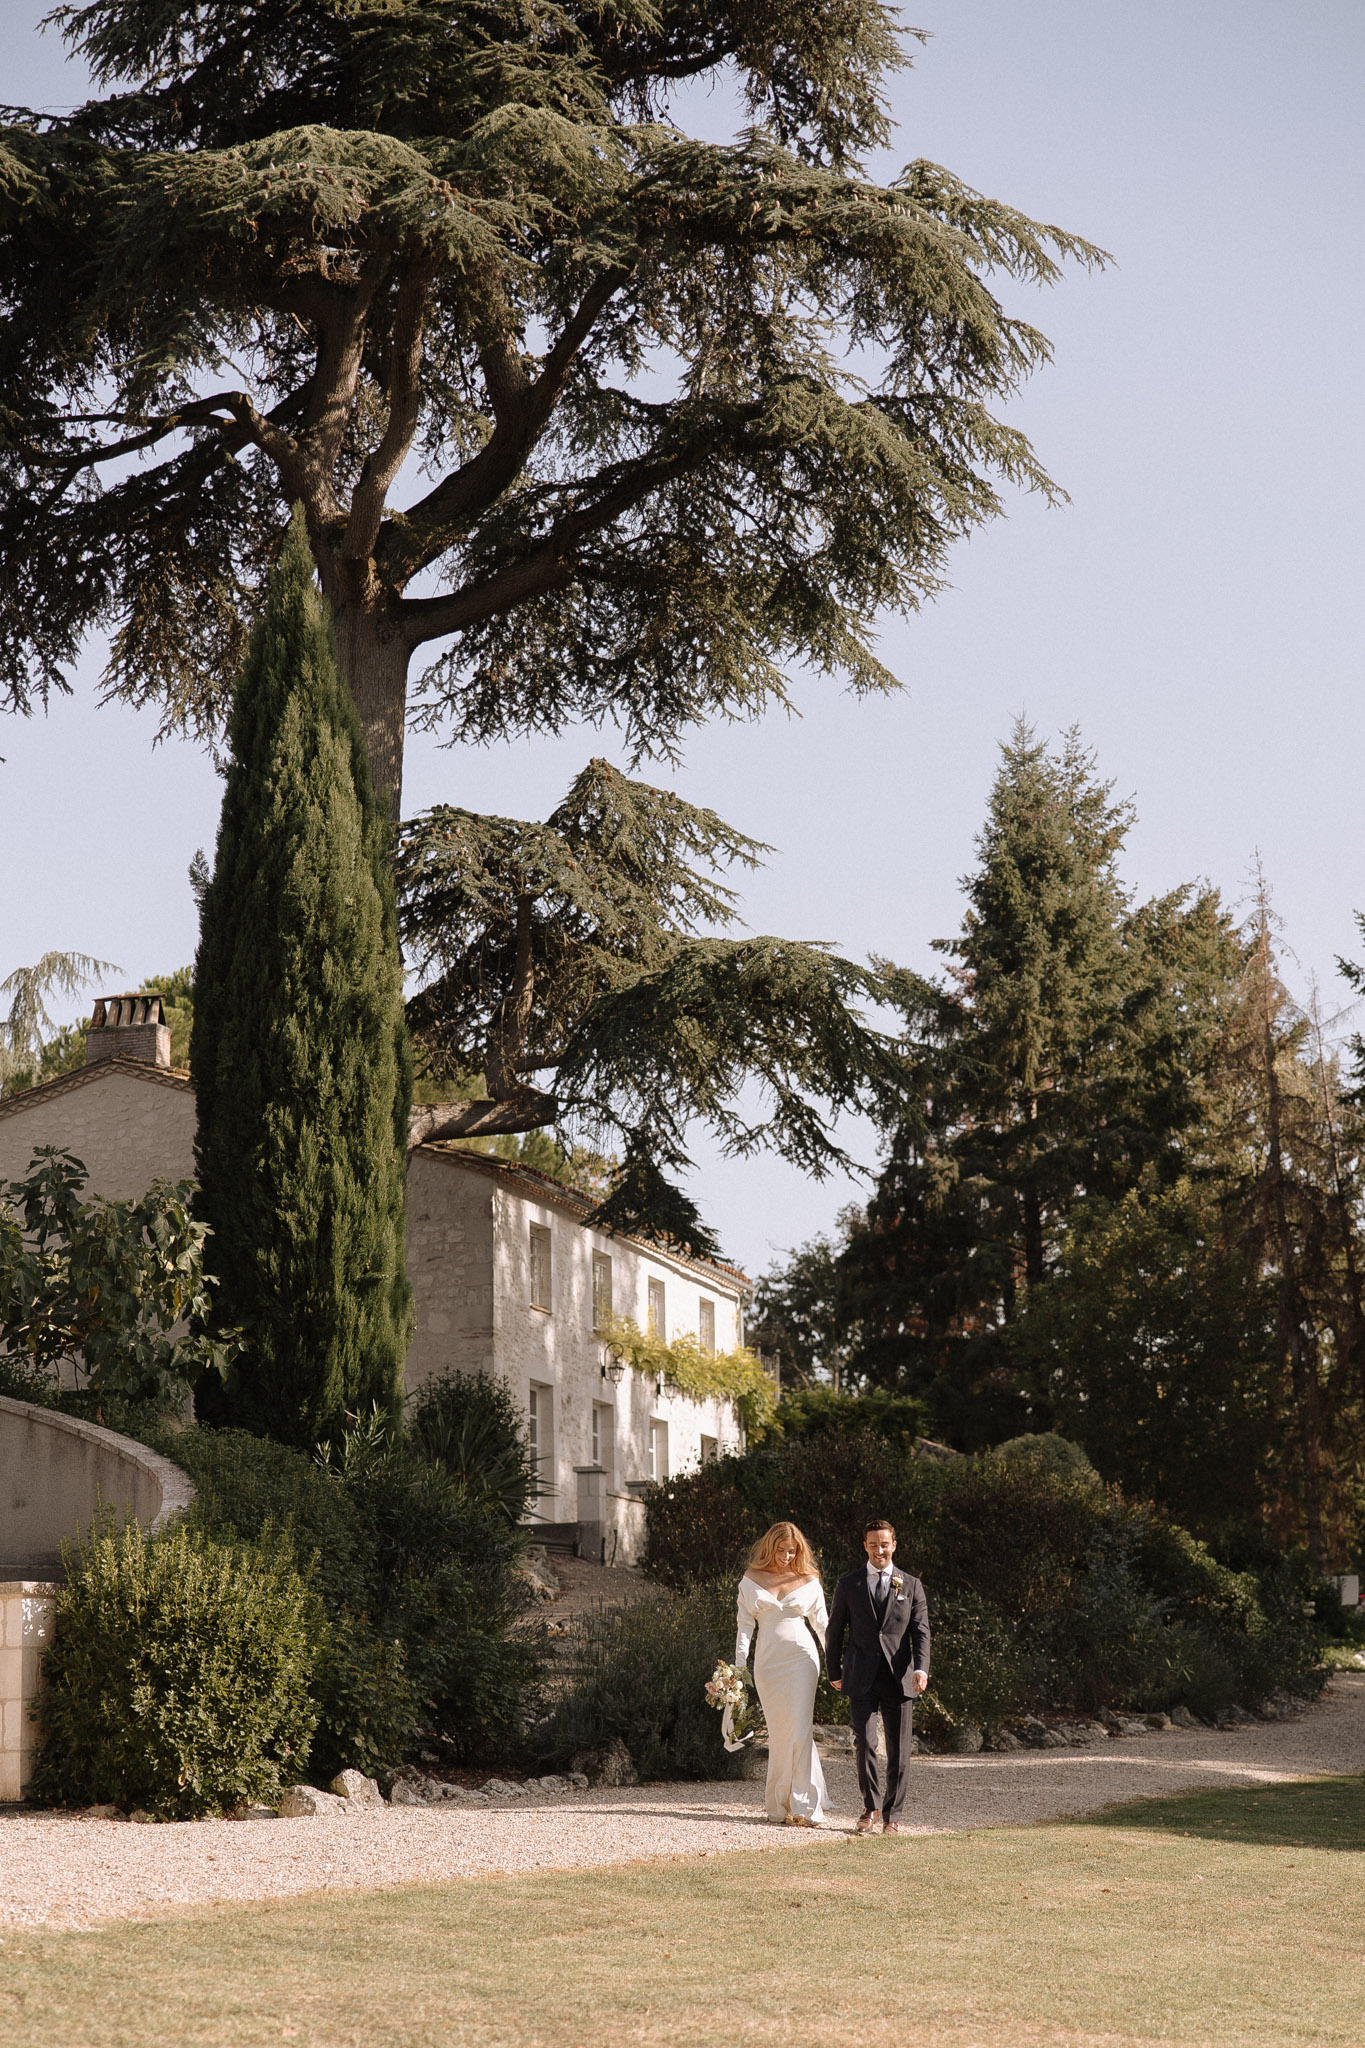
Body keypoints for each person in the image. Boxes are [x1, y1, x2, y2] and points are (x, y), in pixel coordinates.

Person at [825, 1517, 930, 1835]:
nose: (879, 1550)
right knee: (865, 1745)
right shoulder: (849, 1584)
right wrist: (834, 1671)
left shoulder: (911, 1584)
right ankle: (870, 1808)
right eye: (873, 1544)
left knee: (899, 1751)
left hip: (899, 1678)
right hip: (860, 1676)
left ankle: (892, 1816)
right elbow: (835, 1630)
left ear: (894, 1545)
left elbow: (921, 1632)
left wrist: (922, 1669)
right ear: (865, 1546)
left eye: (884, 1544)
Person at [734, 1521, 830, 1826]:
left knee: (800, 1727)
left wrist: (839, 1665)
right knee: (779, 1732)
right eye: (781, 1550)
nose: (787, 1556)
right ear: (769, 1547)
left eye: (792, 1551)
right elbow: (744, 1627)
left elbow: (823, 1625)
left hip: (802, 1659)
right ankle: (778, 1803)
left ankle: (804, 1806)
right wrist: (738, 1668)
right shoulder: (750, 1579)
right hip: (767, 1662)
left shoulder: (809, 1579)